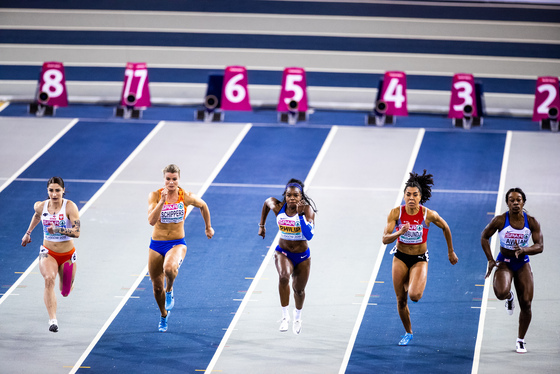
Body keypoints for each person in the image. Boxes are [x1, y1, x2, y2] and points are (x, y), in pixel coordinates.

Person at [382, 170, 458, 346]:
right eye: (408, 194)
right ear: (403, 196)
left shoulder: (427, 214)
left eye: (415, 195)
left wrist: (450, 251)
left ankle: (412, 280)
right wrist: (399, 232)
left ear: (420, 197)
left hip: (419, 258)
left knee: (415, 296)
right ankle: (408, 332)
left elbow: (445, 227)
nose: (411, 198)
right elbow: (385, 239)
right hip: (400, 257)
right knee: (401, 300)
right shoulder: (396, 213)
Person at [148, 164, 214, 332]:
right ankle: (163, 315)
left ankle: (169, 289)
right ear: (164, 180)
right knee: (156, 288)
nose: (171, 182)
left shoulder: (185, 196)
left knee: (169, 268)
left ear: (179, 179)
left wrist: (208, 227)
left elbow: (203, 205)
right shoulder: (155, 196)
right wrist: (162, 201)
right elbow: (151, 221)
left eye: (174, 179)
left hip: (177, 243)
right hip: (156, 245)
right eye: (168, 179)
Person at [481, 187, 543, 354]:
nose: (515, 203)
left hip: (522, 263)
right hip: (505, 262)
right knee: (500, 293)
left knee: (527, 304)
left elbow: (540, 246)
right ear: (507, 203)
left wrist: (525, 250)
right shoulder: (500, 220)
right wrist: (490, 259)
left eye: (518, 200)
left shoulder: (532, 222)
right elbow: (484, 236)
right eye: (512, 200)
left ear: (523, 202)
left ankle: (520, 340)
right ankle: (509, 297)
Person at [21, 176, 80, 333]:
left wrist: (59, 229)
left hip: (67, 254)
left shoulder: (70, 207)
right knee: (48, 279)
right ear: (47, 191)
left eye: (57, 191)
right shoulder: (41, 206)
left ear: (63, 191)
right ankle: (53, 320)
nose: (54, 194)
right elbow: (37, 215)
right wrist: (28, 233)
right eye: (51, 191)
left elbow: (77, 232)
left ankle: (68, 284)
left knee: (65, 291)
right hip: (48, 252)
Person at [258, 178, 316, 335]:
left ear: (300, 197)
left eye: (295, 195)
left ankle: (297, 318)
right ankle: (285, 317)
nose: (292, 198)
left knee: (299, 290)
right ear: (285, 195)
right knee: (284, 277)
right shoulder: (278, 207)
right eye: (289, 195)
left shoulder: (307, 210)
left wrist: (301, 215)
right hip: (283, 252)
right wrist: (262, 226)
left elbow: (309, 235)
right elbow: (266, 203)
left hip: (302, 256)